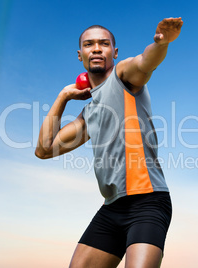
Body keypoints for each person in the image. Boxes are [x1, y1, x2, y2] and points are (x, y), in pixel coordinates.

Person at [35, 17, 183, 268]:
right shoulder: (88, 114)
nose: (95, 48)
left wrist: (161, 44)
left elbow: (145, 62)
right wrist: (64, 96)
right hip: (111, 209)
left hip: (147, 203)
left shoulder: (123, 76)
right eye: (89, 44)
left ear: (114, 52)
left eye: (103, 44)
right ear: (80, 55)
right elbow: (45, 149)